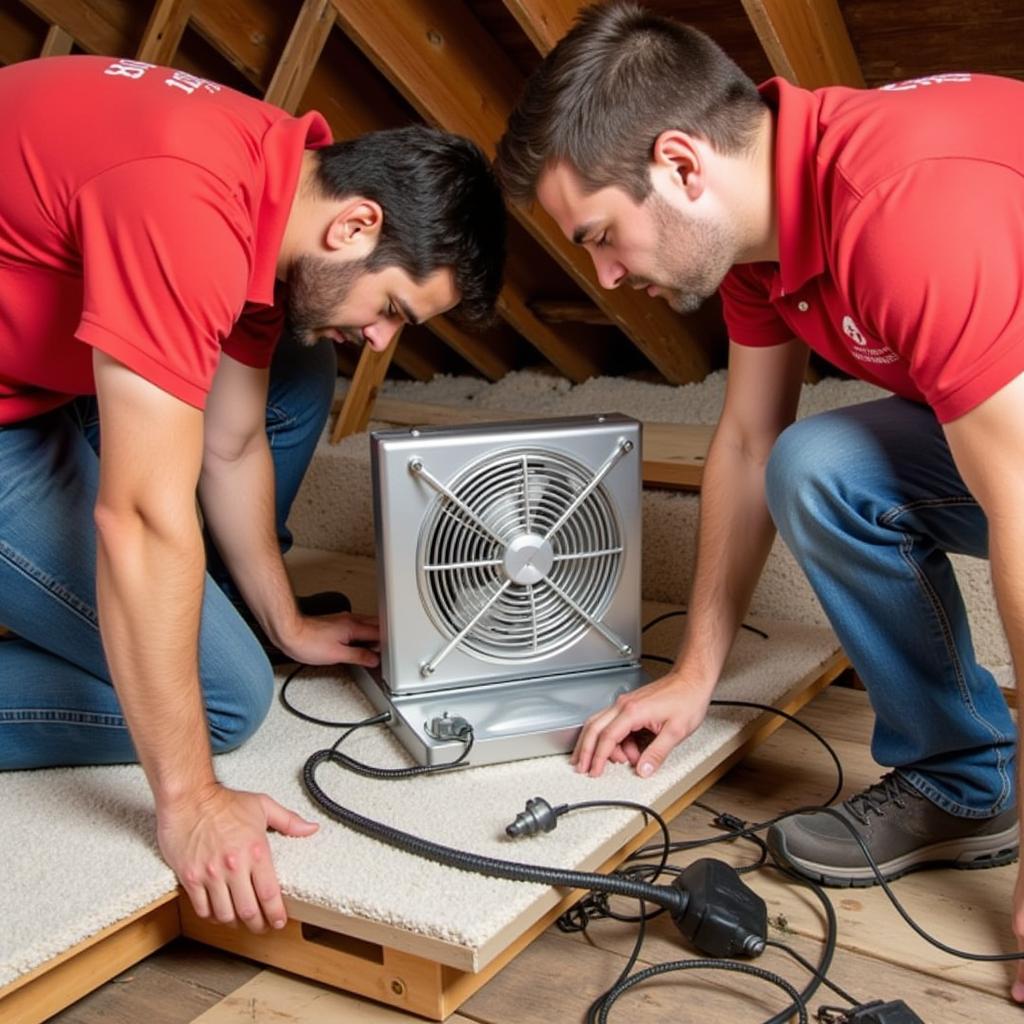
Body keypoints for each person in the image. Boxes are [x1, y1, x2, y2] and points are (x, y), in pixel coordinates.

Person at [495, 0, 1023, 1001]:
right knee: (816, 462)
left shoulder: (903, 211)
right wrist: (695, 673)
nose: (604, 274)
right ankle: (962, 786)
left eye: (602, 236)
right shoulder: (761, 233)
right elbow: (747, 442)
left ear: (682, 165)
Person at [0, 55, 505, 935]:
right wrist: (191, 797)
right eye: (395, 309)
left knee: (299, 363)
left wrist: (285, 621)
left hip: (37, 374)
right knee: (228, 699)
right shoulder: (186, 208)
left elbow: (229, 445)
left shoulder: (276, 181)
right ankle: (156, 645)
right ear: (356, 224)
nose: (383, 340)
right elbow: (141, 516)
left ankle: (172, 622)